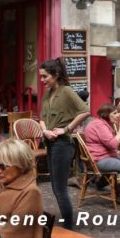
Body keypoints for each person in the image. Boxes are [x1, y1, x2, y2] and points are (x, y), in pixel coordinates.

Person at [39, 58, 90, 229]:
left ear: (56, 75)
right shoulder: (47, 94)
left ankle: (69, 227)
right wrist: (45, 130)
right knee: (55, 187)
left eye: (45, 76)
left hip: (63, 144)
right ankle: (67, 224)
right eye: (41, 76)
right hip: (50, 143)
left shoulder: (66, 91)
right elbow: (42, 118)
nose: (42, 80)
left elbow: (85, 111)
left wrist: (66, 128)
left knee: (60, 189)